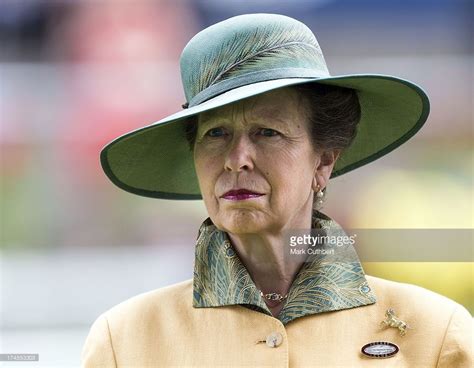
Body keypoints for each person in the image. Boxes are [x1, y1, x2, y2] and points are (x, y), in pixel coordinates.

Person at [81, 13, 472, 367]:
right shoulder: (127, 342)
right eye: (216, 133)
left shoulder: (434, 334)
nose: (237, 159)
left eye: (267, 132)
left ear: (323, 161)